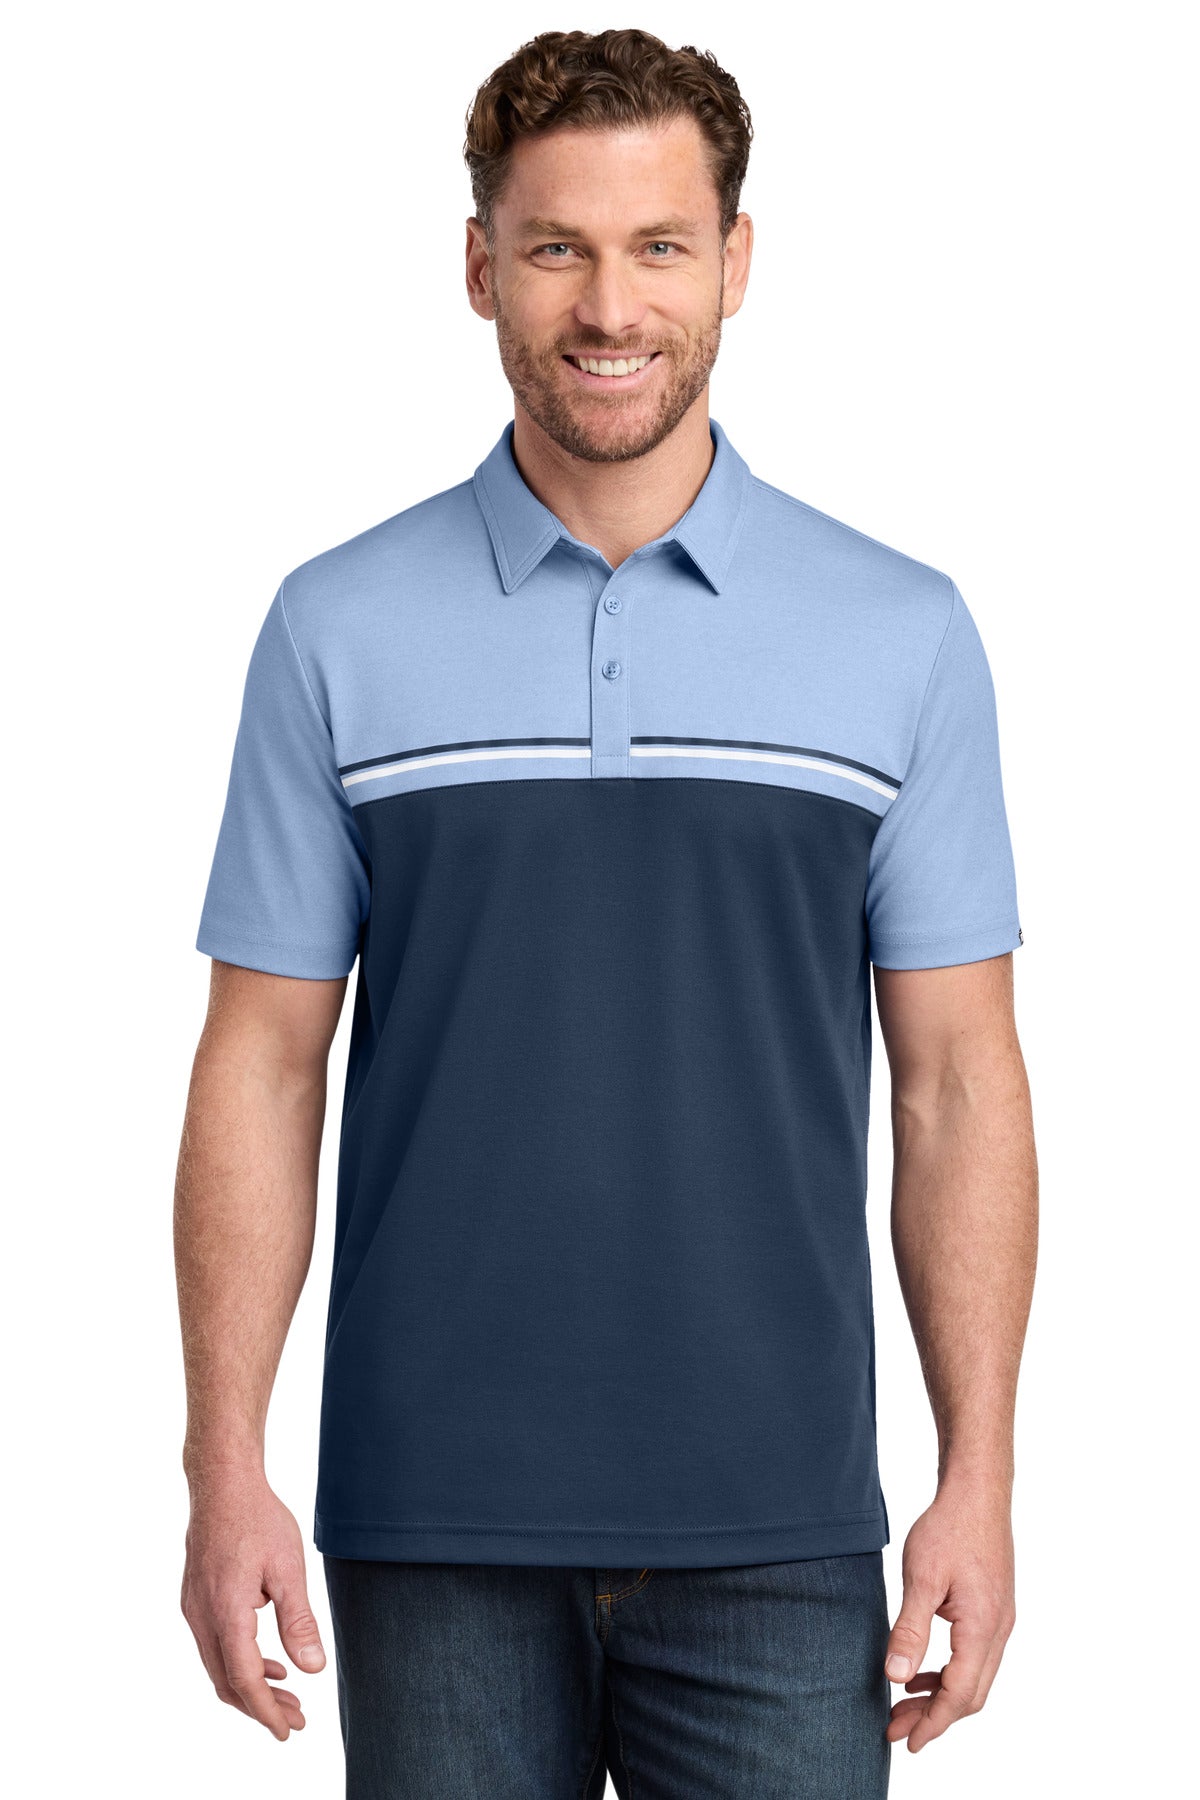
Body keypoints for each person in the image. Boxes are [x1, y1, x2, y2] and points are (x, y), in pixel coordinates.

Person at [175, 26, 1038, 1800]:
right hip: (430, 1520)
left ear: (737, 261)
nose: (610, 305)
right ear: (478, 265)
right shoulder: (336, 625)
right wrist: (221, 1465)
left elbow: (959, 1081)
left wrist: (981, 1477)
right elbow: (261, 1065)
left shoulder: (901, 632)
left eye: (659, 246)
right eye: (557, 246)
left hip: (783, 1526)